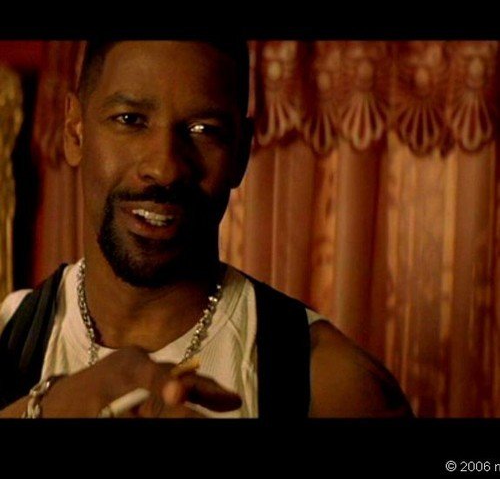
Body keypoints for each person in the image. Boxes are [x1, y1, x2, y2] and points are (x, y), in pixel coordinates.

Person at [0, 40, 414, 418]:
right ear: (75, 132)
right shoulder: (8, 336)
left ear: (240, 153)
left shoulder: (331, 383)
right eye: (130, 119)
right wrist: (42, 409)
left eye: (204, 130)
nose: (164, 167)